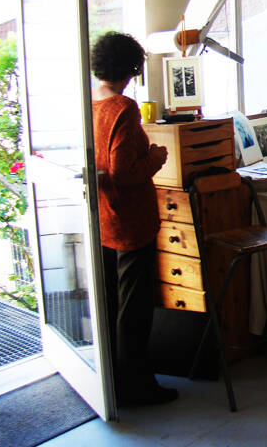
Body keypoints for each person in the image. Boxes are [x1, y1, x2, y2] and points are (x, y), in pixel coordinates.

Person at [91, 31, 177, 405]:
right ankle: (137, 387)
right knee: (134, 308)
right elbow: (124, 172)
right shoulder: (122, 108)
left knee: (111, 303)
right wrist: (157, 156)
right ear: (131, 68)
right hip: (130, 220)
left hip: (104, 218)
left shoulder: (90, 102)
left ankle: (113, 382)